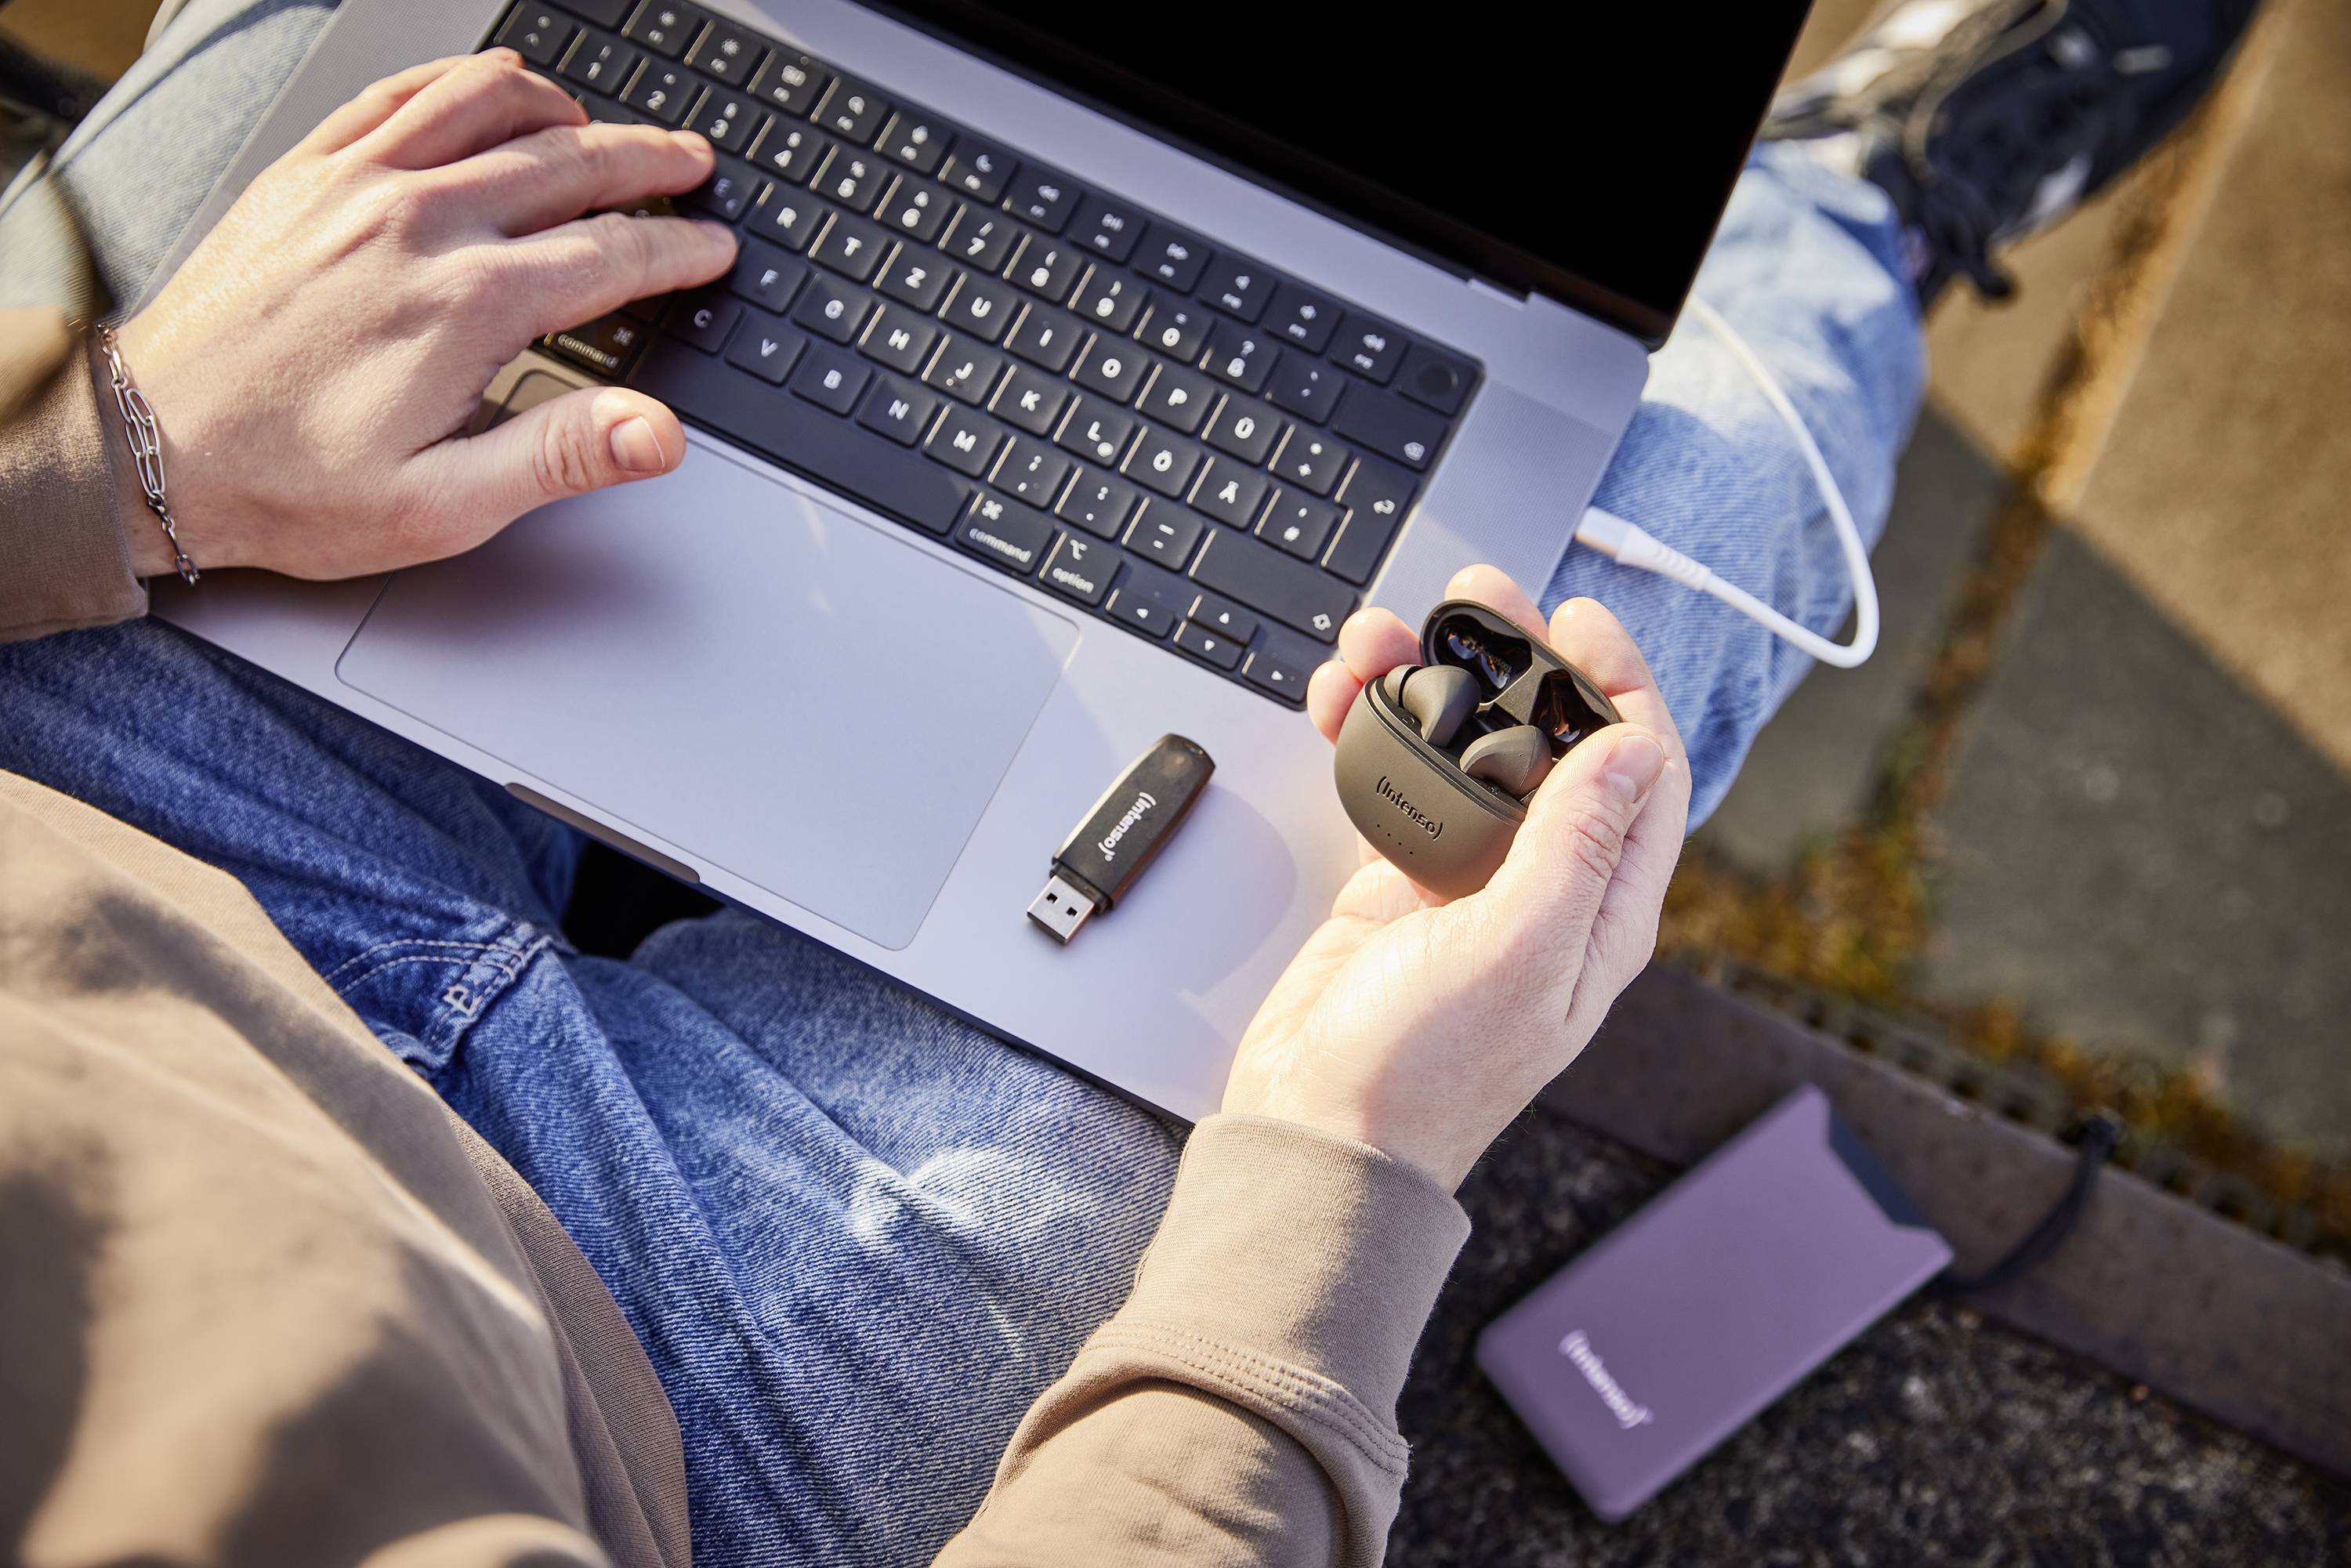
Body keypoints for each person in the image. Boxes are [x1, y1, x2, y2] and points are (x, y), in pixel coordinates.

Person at [0, 1, 2256, 1563]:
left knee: (387, 89)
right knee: (1635, 535)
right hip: (654, 1410)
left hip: (67, 782)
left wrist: (114, 445)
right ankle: (1852, 214)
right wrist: (1337, 1180)